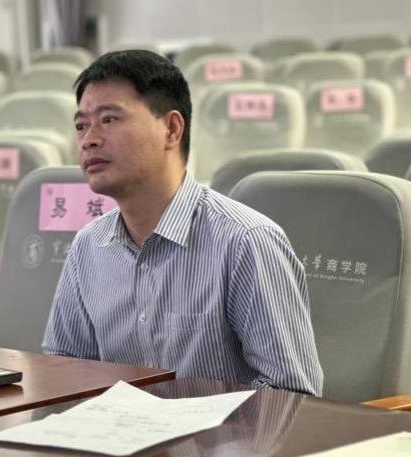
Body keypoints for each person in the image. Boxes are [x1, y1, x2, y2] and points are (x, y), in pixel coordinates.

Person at [43, 49, 323, 395]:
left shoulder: (245, 241)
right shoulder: (89, 246)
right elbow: (68, 372)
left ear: (171, 129)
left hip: (222, 432)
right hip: (119, 429)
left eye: (109, 119)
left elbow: (290, 394)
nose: (89, 139)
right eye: (81, 126)